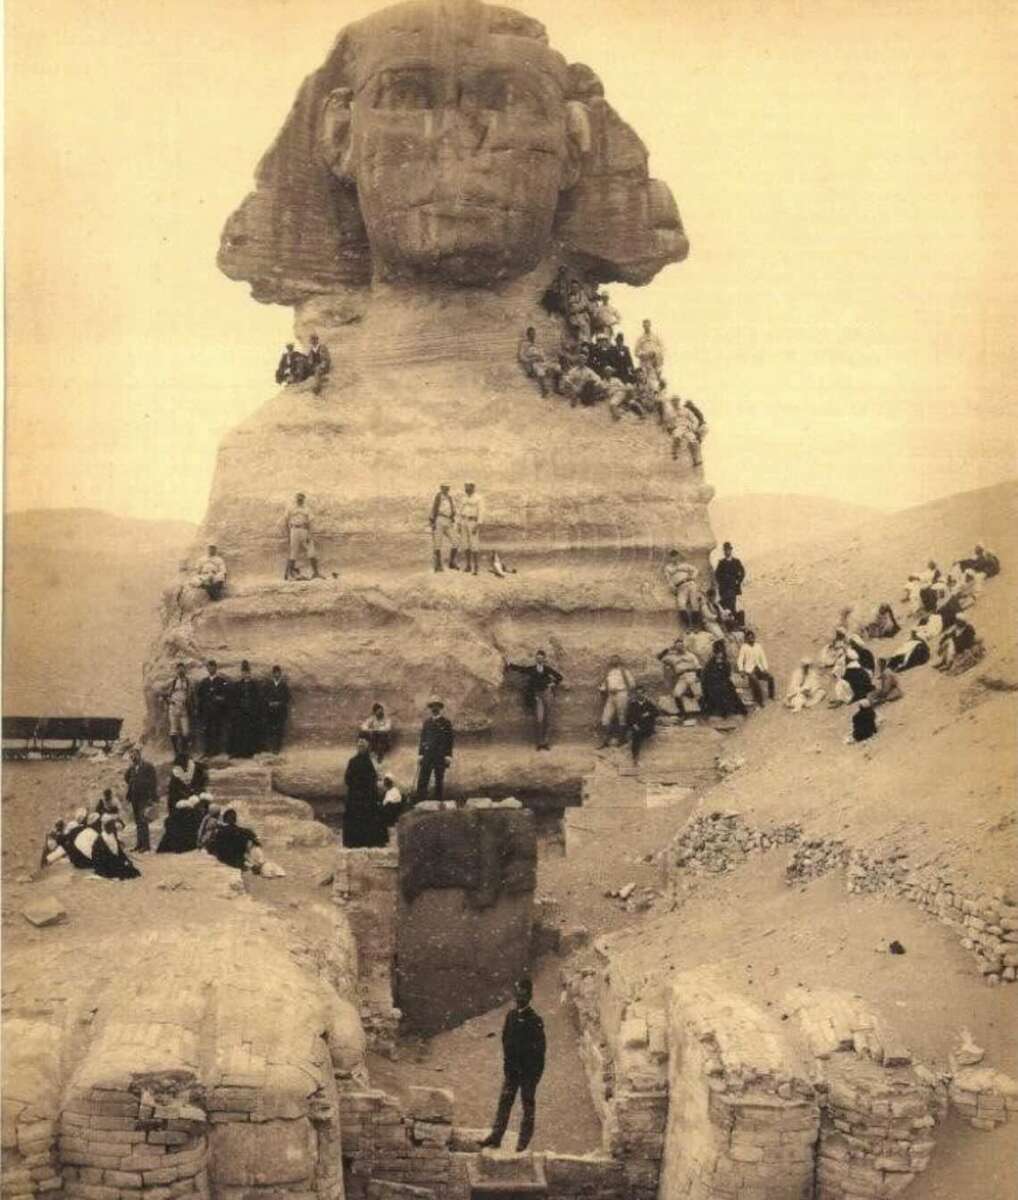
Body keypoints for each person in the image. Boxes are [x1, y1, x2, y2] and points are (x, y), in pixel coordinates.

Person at [480, 977, 546, 1153]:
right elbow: (505, 1041)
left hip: (527, 1074)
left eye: (523, 994)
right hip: (512, 1071)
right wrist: (508, 1065)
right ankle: (496, 1137)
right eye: (517, 994)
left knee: (527, 1106)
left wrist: (533, 1076)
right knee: (504, 1102)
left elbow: (540, 1052)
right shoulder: (510, 1016)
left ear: (529, 996)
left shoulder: (535, 1020)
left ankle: (523, 1141)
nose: (519, 997)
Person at [504, 650, 563, 751]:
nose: (539, 659)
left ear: (544, 659)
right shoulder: (532, 669)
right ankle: (539, 743)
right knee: (539, 719)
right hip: (538, 695)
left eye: (541, 658)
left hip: (547, 694)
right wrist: (510, 664)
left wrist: (552, 684)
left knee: (547, 719)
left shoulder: (547, 669)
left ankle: (545, 742)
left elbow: (559, 677)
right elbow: (521, 669)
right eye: (538, 658)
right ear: (536, 659)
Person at [156, 756, 209, 853]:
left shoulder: (197, 770)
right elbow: (172, 793)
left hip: (195, 804)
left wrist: (196, 796)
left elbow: (202, 785)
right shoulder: (176, 774)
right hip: (180, 805)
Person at [343, 735, 387, 847]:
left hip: (368, 796)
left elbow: (375, 778)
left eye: (363, 743)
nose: (361, 745)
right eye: (359, 743)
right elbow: (347, 779)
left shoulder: (372, 761)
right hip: (356, 796)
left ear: (368, 746)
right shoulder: (352, 761)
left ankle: (371, 841)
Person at [416, 697, 455, 803]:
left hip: (440, 755)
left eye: (436, 706)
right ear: (430, 708)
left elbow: (449, 740)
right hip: (427, 754)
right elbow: (423, 739)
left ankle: (438, 802)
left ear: (440, 708)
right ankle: (420, 801)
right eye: (432, 706)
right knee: (423, 778)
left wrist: (448, 756)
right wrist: (420, 754)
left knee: (439, 779)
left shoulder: (446, 723)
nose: (434, 708)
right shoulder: (427, 722)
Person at [658, 637, 703, 719]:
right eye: (678, 646)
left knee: (699, 694)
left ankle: (704, 713)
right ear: (675, 647)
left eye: (681, 645)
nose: (680, 647)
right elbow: (659, 657)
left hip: (692, 674)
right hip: (682, 677)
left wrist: (698, 677)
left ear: (684, 646)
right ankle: (683, 714)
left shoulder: (690, 655)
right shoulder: (672, 657)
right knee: (677, 694)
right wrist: (668, 649)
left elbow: (698, 667)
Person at [701, 640, 747, 719]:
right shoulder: (710, 663)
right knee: (717, 690)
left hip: (723, 681)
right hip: (711, 683)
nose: (719, 654)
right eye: (718, 652)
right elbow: (706, 674)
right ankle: (720, 711)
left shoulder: (725, 662)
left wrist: (722, 676)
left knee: (729, 689)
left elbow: (727, 674)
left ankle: (732, 711)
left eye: (721, 652)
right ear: (715, 652)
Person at [124, 747, 157, 853]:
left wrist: (152, 797)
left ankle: (146, 845)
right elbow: (126, 777)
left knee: (143, 821)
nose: (132, 757)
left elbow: (153, 782)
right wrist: (132, 784)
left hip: (144, 797)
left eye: (134, 755)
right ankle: (139, 844)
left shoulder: (148, 766)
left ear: (139, 755)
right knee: (137, 821)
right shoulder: (132, 768)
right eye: (131, 756)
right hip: (134, 798)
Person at [284, 492, 323, 580]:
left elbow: (310, 522)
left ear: (304, 500)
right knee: (293, 552)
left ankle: (316, 573)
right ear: (296, 499)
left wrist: (310, 534)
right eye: (298, 499)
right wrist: (288, 534)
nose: (300, 501)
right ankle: (291, 574)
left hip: (304, 530)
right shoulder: (290, 508)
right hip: (294, 530)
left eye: (301, 499)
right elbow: (286, 521)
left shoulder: (307, 509)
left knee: (311, 550)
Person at [196, 659, 231, 758]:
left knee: (216, 730)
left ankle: (216, 751)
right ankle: (207, 751)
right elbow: (200, 697)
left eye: (212, 667)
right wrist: (200, 709)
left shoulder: (221, 681)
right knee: (207, 730)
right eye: (209, 667)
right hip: (207, 710)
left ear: (216, 668)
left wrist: (220, 698)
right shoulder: (204, 682)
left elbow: (226, 695)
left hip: (217, 710)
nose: (210, 669)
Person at [598, 656, 636, 747]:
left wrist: (624, 691)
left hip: (621, 694)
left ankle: (622, 740)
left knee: (622, 717)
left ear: (619, 661)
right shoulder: (609, 672)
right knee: (605, 719)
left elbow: (632, 684)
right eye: (612, 659)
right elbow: (604, 685)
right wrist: (602, 689)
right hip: (611, 695)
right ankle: (606, 741)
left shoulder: (624, 671)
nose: (614, 661)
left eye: (616, 659)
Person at [228, 660, 262, 758]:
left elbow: (257, 699)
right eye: (243, 672)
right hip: (240, 712)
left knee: (249, 732)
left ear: (250, 673)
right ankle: (239, 752)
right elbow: (234, 699)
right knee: (239, 732)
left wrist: (254, 710)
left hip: (251, 712)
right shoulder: (238, 685)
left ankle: (249, 752)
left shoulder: (254, 685)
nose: (245, 674)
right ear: (241, 673)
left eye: (247, 672)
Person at [91, 816, 141, 880]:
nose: (114, 829)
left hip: (112, 859)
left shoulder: (112, 835)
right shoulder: (101, 839)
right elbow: (104, 856)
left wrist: (126, 860)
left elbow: (119, 851)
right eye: (112, 827)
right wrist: (120, 862)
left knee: (132, 869)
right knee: (124, 871)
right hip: (104, 863)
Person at [736, 631, 775, 708]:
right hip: (750, 670)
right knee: (756, 682)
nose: (751, 639)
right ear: (746, 639)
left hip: (759, 668)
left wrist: (765, 668)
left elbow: (763, 658)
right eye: (749, 638)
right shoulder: (744, 647)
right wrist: (741, 670)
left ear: (754, 637)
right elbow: (740, 660)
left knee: (771, 677)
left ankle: (771, 696)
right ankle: (760, 701)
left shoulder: (758, 646)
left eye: (752, 637)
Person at [663, 550, 700, 629]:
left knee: (694, 603)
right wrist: (673, 588)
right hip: (680, 587)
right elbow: (668, 579)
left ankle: (696, 625)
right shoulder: (668, 567)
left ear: (678, 556)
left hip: (690, 584)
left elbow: (695, 570)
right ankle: (688, 626)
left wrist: (692, 577)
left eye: (675, 556)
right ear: (670, 558)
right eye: (672, 557)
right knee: (681, 604)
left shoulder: (685, 565)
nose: (674, 558)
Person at [625, 685, 660, 764]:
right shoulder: (633, 704)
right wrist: (634, 725)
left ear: (644, 693)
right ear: (636, 695)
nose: (640, 695)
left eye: (641, 693)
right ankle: (635, 757)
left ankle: (638, 757)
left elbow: (657, 712)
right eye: (638, 693)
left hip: (647, 726)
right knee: (636, 735)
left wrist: (648, 713)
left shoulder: (648, 703)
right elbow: (629, 717)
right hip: (637, 726)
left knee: (640, 734)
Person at [164, 662, 193, 756]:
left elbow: (190, 694)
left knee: (186, 731)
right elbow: (165, 693)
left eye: (182, 669)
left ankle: (184, 751)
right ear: (176, 670)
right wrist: (169, 700)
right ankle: (176, 752)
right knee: (173, 730)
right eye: (179, 669)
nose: (181, 671)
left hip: (183, 708)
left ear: (185, 670)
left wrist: (189, 702)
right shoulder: (173, 681)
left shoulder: (188, 681)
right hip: (174, 707)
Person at [517, 327, 557, 396]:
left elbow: (542, 354)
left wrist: (544, 358)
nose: (533, 336)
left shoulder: (537, 344)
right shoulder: (524, 344)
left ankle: (556, 388)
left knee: (557, 367)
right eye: (531, 334)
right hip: (533, 363)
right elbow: (522, 357)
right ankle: (544, 389)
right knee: (540, 371)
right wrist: (532, 360)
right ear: (528, 335)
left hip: (542, 361)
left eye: (534, 334)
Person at [714, 543, 746, 628]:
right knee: (725, 605)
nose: (726, 552)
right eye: (725, 550)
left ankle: (735, 623)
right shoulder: (721, 562)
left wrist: (738, 581)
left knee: (732, 605)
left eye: (728, 550)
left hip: (732, 587)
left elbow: (742, 572)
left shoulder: (736, 561)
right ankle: (730, 624)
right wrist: (722, 582)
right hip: (724, 588)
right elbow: (717, 575)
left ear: (731, 550)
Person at [429, 484, 459, 573]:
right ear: (441, 488)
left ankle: (452, 562)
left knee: (456, 541)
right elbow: (434, 509)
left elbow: (452, 510)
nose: (446, 489)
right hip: (439, 519)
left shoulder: (449, 498)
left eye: (447, 488)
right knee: (437, 543)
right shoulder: (438, 496)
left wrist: (453, 516)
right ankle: (438, 565)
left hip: (448, 521)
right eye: (444, 488)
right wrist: (433, 522)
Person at [263, 665, 291, 754]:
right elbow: (264, 696)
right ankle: (271, 746)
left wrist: (279, 703)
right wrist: (269, 702)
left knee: (279, 730)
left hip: (280, 711)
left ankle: (277, 748)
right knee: (270, 729)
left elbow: (287, 698)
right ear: (272, 674)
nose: (277, 675)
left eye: (278, 673)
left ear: (280, 674)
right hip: (270, 711)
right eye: (275, 673)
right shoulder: (268, 685)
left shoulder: (284, 685)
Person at [458, 482, 483, 576]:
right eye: (465, 487)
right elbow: (460, 511)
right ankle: (468, 565)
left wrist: (478, 524)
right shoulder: (464, 498)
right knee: (465, 544)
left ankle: (476, 567)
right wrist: (459, 524)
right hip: (464, 521)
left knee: (474, 544)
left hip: (473, 522)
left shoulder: (478, 498)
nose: (466, 489)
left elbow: (481, 511)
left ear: (473, 487)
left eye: (468, 487)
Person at [634, 318, 664, 389]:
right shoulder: (640, 339)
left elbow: (661, 348)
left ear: (650, 325)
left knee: (654, 379)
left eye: (647, 325)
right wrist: (644, 354)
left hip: (653, 362)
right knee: (643, 379)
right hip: (644, 362)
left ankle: (654, 392)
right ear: (643, 326)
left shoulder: (655, 337)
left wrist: (655, 353)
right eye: (644, 325)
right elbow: (636, 352)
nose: (646, 327)